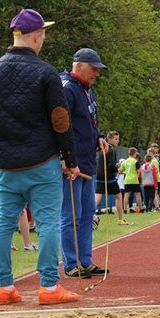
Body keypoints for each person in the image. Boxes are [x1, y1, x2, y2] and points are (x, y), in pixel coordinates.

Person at [0, 8, 79, 305]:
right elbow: (60, 120)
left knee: (3, 223)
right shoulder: (46, 73)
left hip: (7, 164)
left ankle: (4, 287)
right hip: (42, 162)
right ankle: (49, 287)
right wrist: (70, 160)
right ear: (37, 36)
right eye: (44, 33)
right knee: (49, 223)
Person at [60, 48, 109, 278]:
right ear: (78, 65)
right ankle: (71, 263)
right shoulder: (68, 89)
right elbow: (60, 125)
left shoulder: (87, 91)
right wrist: (63, 157)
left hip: (88, 162)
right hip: (72, 164)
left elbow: (89, 123)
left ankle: (86, 260)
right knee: (71, 215)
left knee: (88, 214)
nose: (96, 74)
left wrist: (99, 136)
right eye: (93, 69)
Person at [96, 131, 124, 224]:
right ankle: (120, 220)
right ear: (109, 139)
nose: (118, 141)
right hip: (109, 177)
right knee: (119, 197)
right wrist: (118, 169)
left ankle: (89, 216)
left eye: (118, 139)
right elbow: (111, 166)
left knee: (98, 195)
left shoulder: (102, 148)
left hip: (99, 175)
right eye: (116, 139)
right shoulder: (112, 149)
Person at [121, 148, 142, 213]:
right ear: (134, 153)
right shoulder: (135, 161)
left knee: (126, 194)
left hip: (127, 180)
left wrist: (126, 172)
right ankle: (140, 208)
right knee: (138, 194)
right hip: (134, 180)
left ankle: (124, 210)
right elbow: (139, 171)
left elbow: (120, 171)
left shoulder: (125, 161)